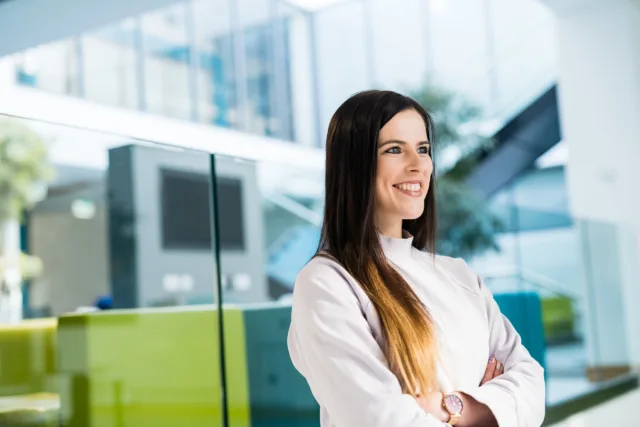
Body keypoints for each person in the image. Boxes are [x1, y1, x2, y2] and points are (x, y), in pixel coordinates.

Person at [287, 90, 545, 427]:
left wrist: (450, 407)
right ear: (355, 165)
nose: (417, 165)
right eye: (394, 150)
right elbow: (381, 419)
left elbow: (532, 386)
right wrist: (489, 411)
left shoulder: (459, 275)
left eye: (423, 150)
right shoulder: (327, 283)